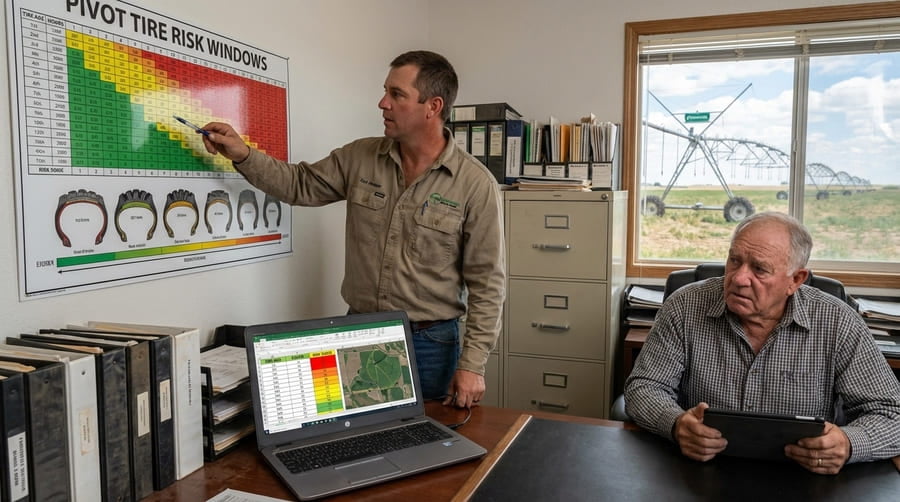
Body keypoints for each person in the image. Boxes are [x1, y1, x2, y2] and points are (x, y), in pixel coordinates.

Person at [200, 50, 505, 408]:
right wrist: (242, 154)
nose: (383, 103)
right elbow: (299, 184)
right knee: (354, 434)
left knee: (426, 436)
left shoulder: (475, 184)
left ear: (432, 107)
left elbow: (487, 283)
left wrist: (472, 364)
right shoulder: (360, 157)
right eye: (385, 91)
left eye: (397, 94)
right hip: (359, 333)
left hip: (429, 345)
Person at [624, 211, 900, 474]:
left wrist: (848, 444)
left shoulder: (837, 322)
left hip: (801, 476)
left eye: (759, 269)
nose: (739, 278)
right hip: (696, 470)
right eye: (734, 260)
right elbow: (644, 388)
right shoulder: (685, 306)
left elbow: (892, 414)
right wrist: (676, 424)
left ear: (795, 280)